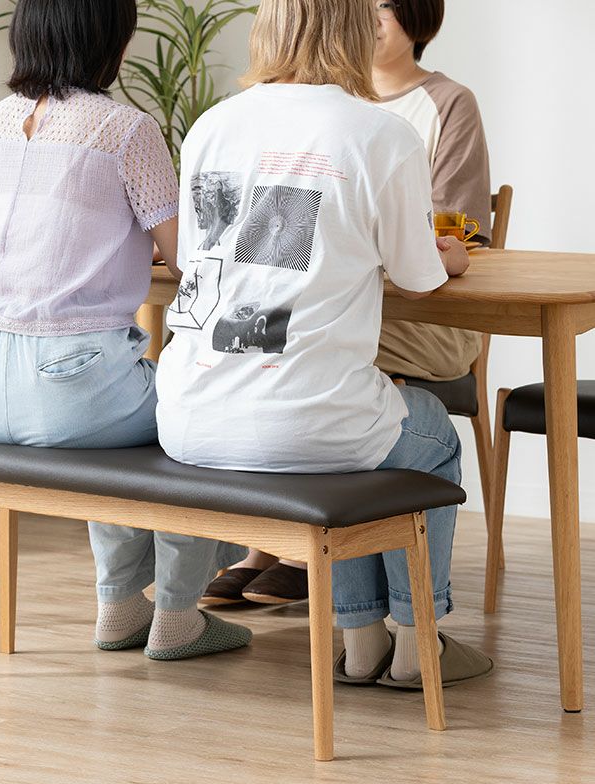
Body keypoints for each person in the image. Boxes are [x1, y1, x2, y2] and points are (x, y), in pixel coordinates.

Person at [158, 0, 491, 685]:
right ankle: (416, 645)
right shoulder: (381, 132)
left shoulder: (211, 125)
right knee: (429, 435)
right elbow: (419, 278)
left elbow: (194, 261)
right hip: (303, 423)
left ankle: (361, 643)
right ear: (354, 30)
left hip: (188, 414)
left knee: (352, 428)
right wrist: (448, 257)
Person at [0, 0, 251, 661]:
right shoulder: (124, 129)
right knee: (199, 414)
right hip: (69, 389)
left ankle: (120, 606)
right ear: (108, 40)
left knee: (116, 423)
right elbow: (188, 258)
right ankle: (179, 614)